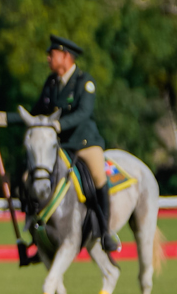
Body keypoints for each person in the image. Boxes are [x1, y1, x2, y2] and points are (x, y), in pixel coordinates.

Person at [31, 34, 119, 253]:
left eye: (52, 55)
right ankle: (35, 232)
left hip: (85, 143)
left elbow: (83, 113)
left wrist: (57, 126)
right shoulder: (51, 83)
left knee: (99, 177)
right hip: (61, 146)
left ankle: (106, 232)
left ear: (65, 56)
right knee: (31, 175)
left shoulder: (84, 82)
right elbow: (36, 114)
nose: (48, 59)